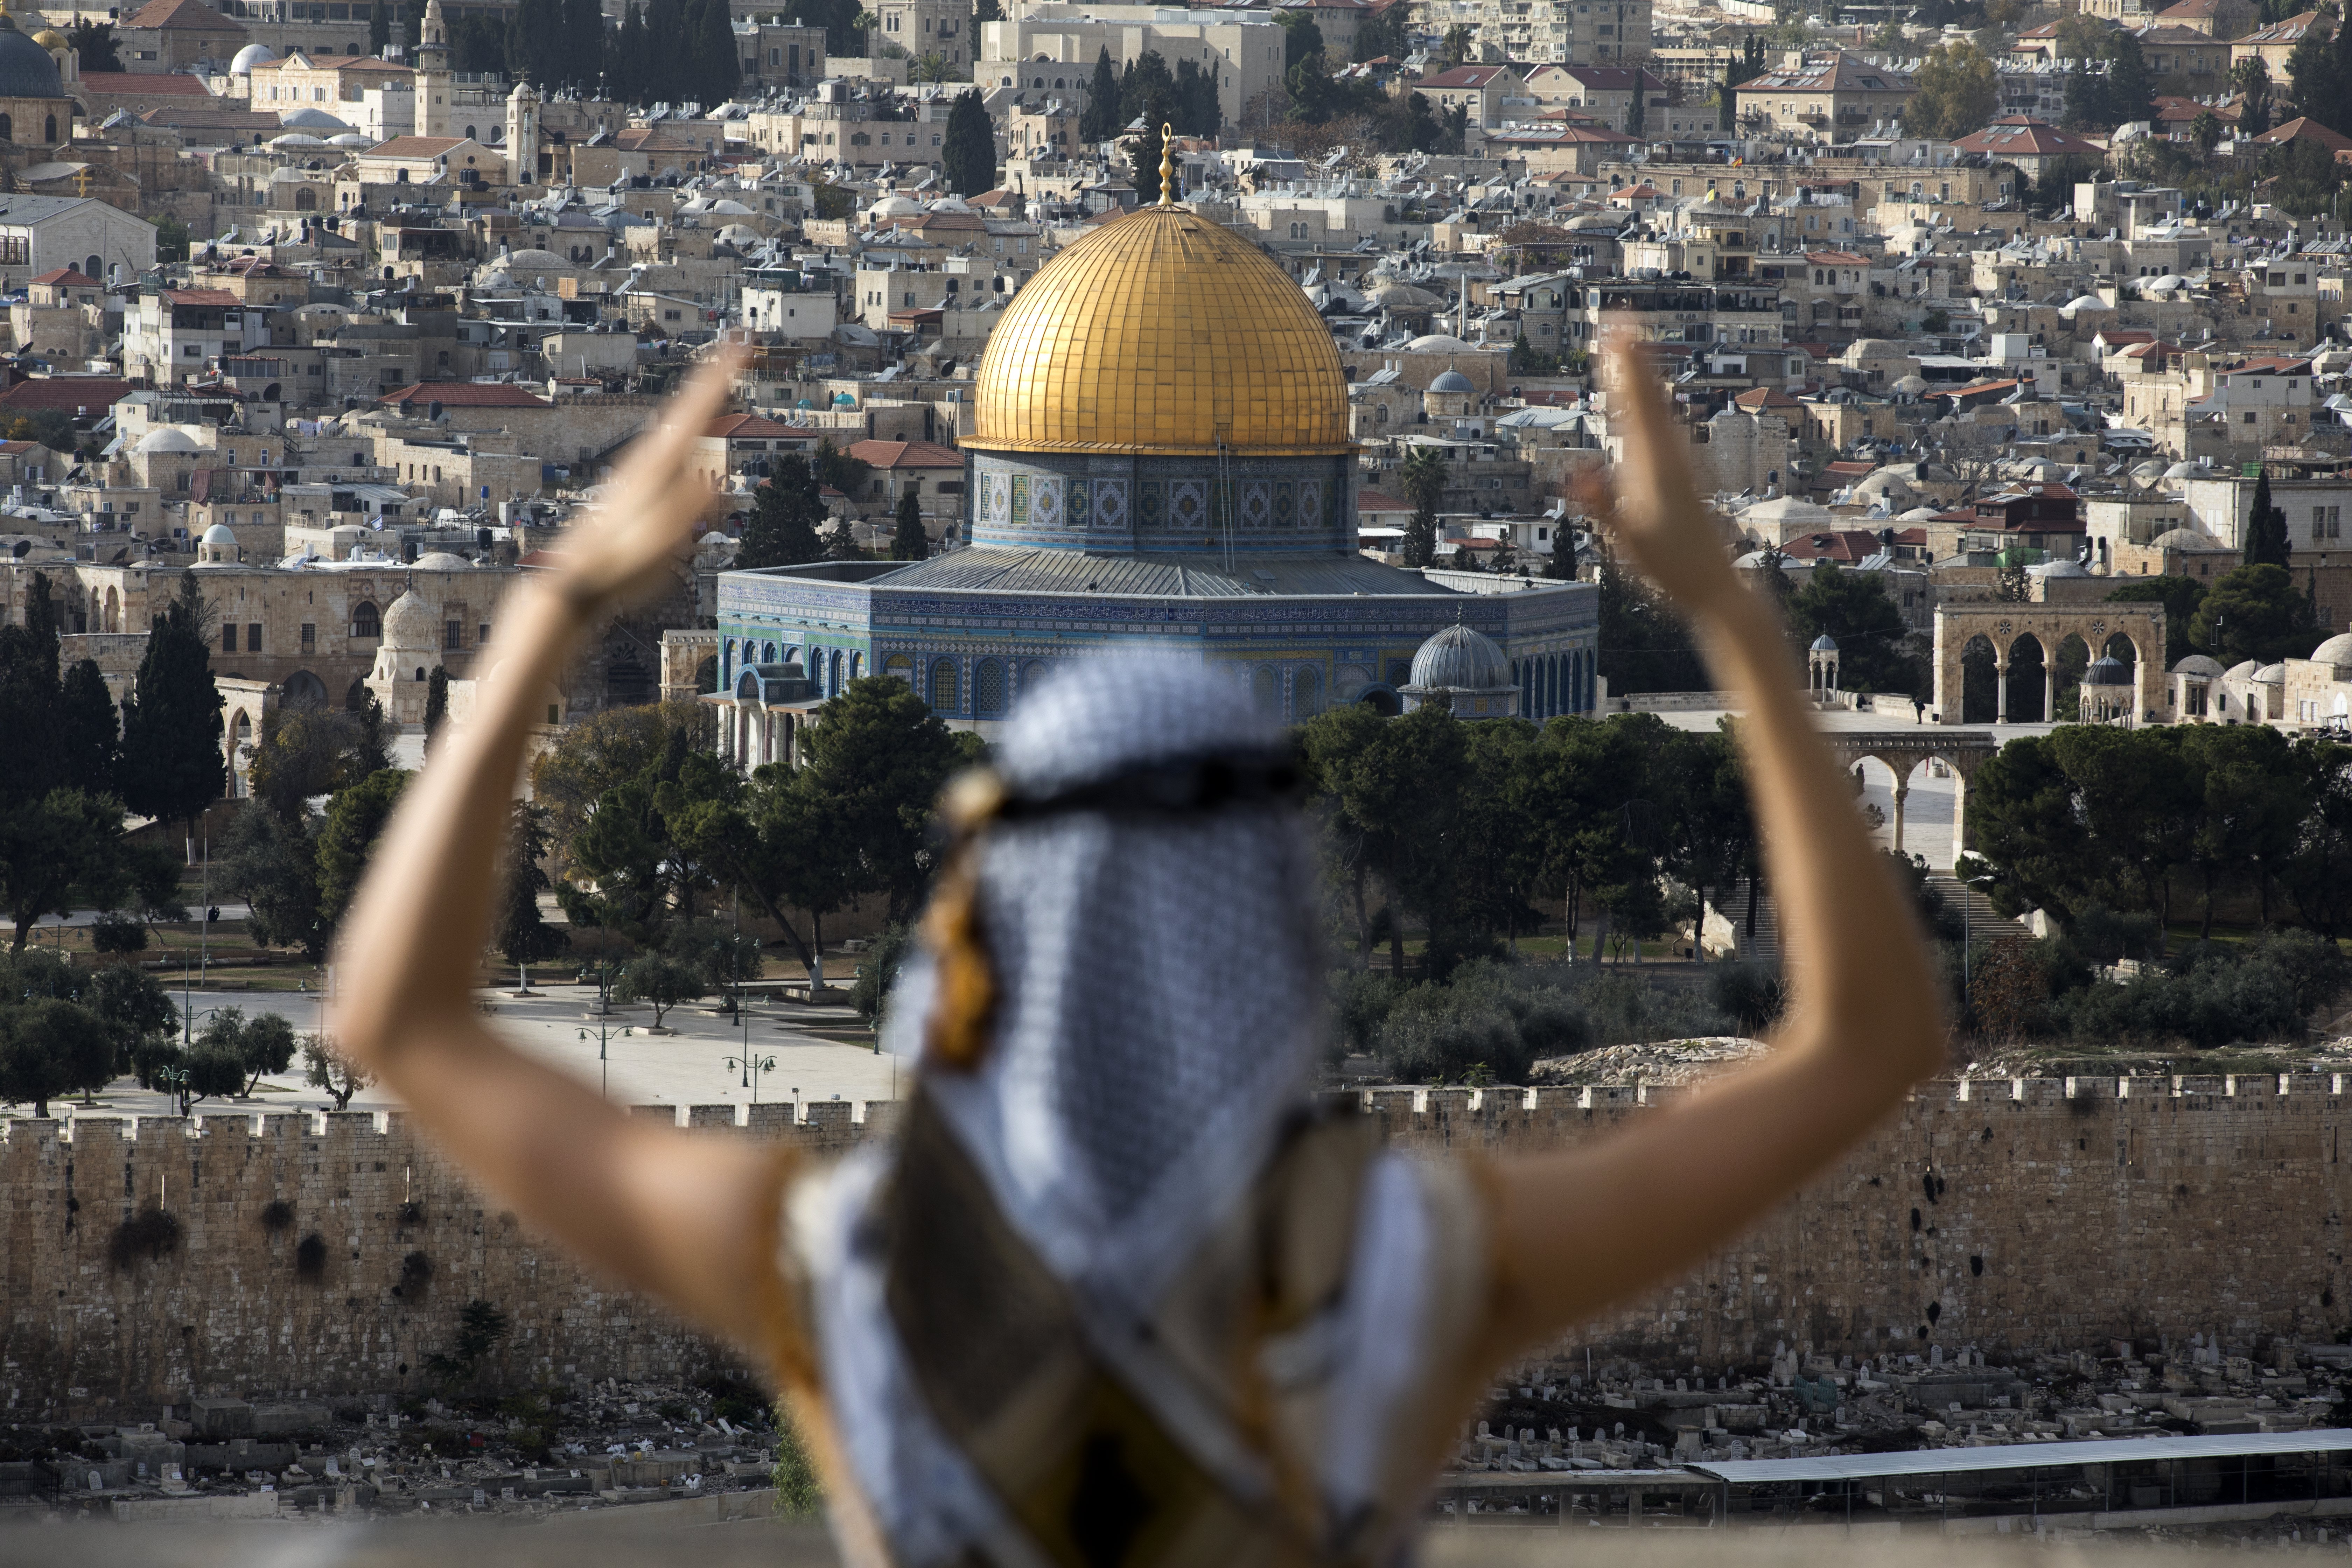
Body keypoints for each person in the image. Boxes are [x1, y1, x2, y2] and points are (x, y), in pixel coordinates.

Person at [329, 332, 1943, 1568]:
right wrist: (1729, 613)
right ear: (1276, 916)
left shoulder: (866, 1286)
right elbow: (1866, 1044)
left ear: (986, 914)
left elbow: (404, 1026)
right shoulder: (1391, 1283)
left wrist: (553, 606)